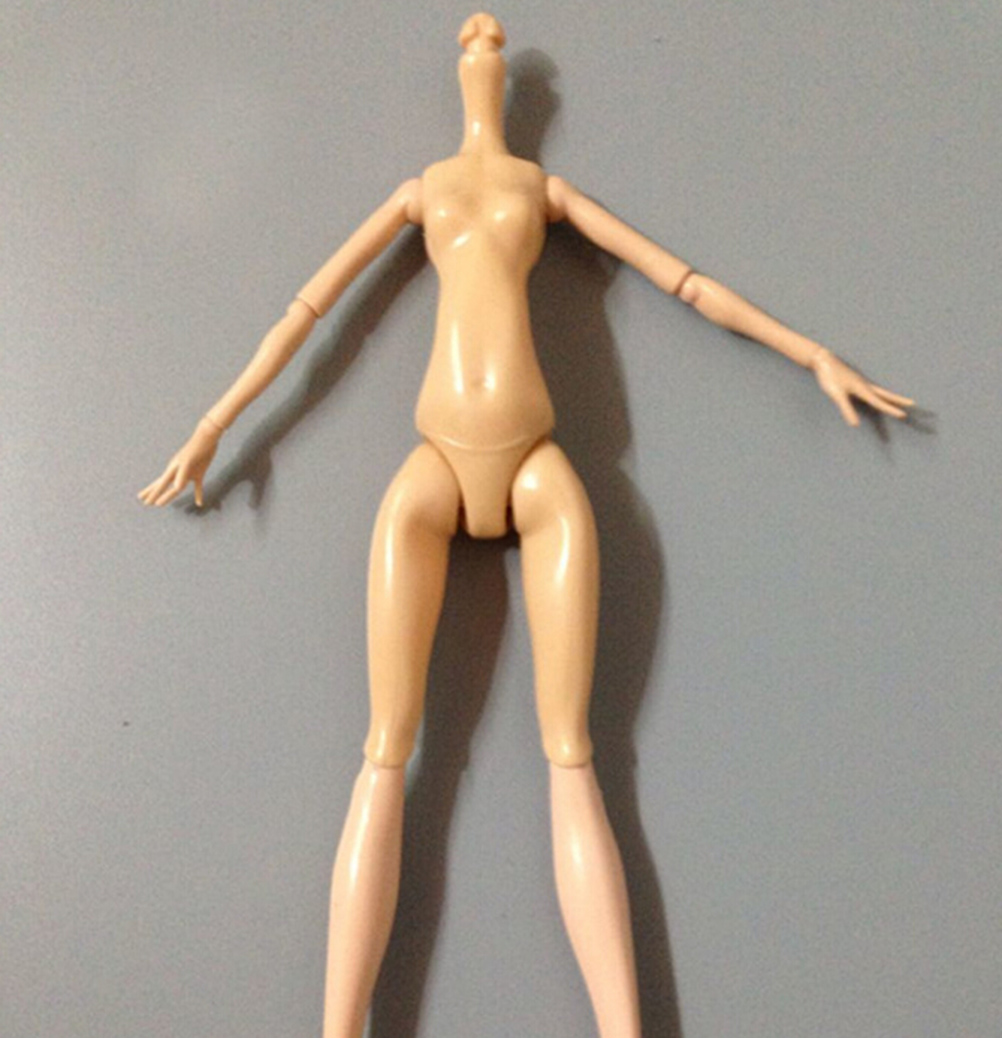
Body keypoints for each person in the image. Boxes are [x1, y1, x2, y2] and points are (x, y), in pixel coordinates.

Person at [139, 14, 913, 1038]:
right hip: (434, 469)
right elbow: (307, 315)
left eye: (492, 48)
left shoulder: (544, 193)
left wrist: (810, 353)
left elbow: (682, 281)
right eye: (475, 46)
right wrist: (214, 426)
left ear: (505, 84)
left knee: (575, 751)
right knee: (386, 747)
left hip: (541, 473)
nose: (484, 46)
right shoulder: (420, 193)